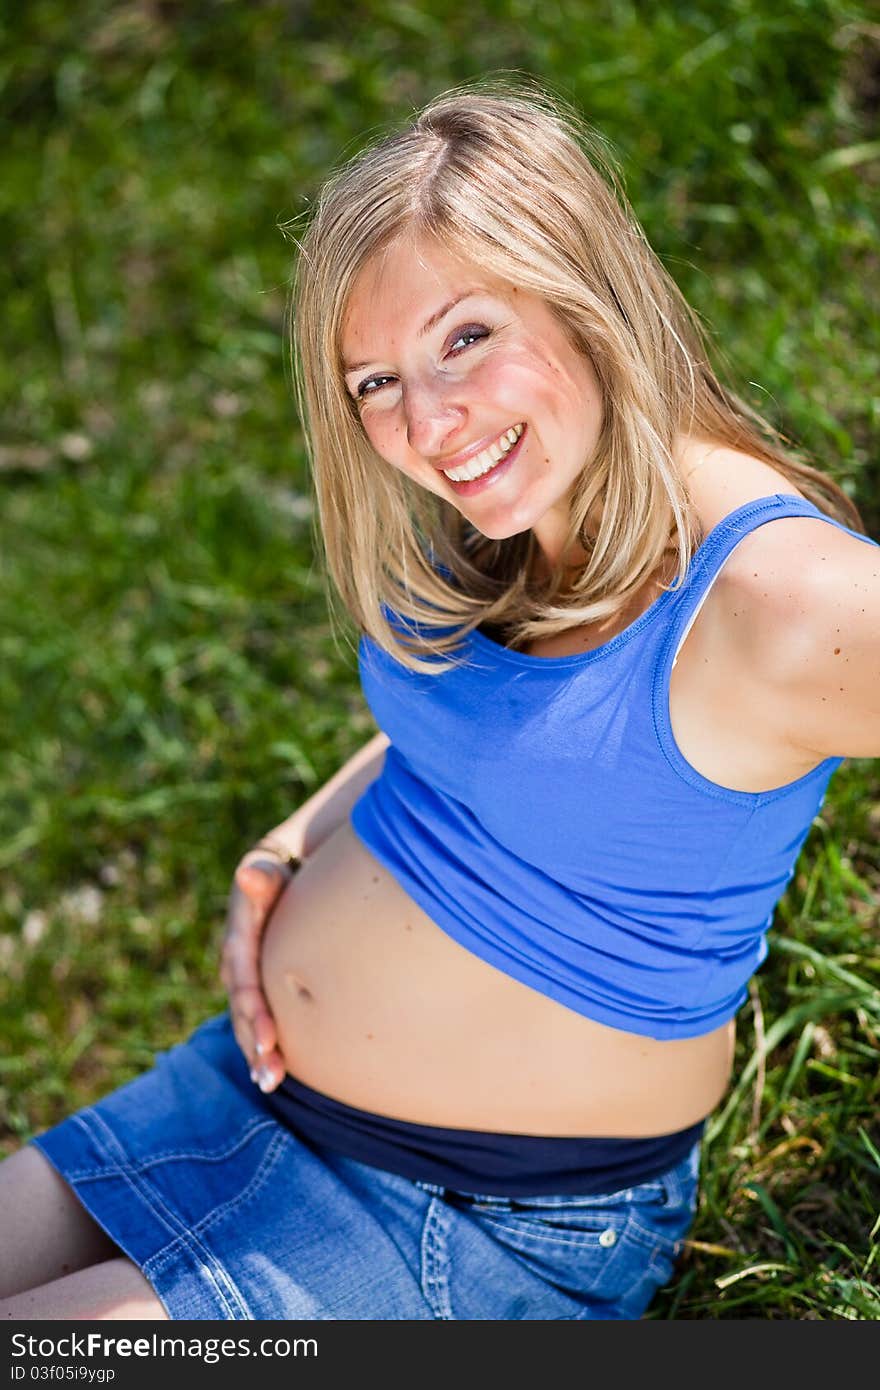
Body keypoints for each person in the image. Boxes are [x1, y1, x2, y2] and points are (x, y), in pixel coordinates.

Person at [1, 81, 877, 1323]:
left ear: (581, 293)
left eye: (465, 337)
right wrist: (291, 842)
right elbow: (496, 742)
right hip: (237, 1095)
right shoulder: (518, 530)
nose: (426, 422)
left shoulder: (775, 606)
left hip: (478, 1227)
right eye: (375, 383)